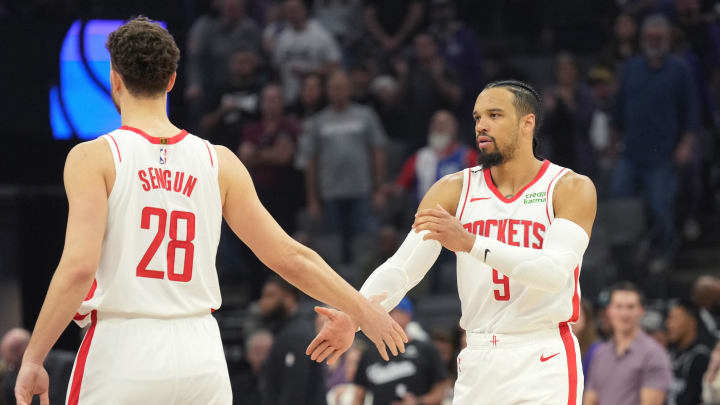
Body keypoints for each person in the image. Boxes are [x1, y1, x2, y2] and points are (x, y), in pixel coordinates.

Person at [13, 17, 406, 405]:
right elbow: (290, 256)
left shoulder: (93, 157)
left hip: (124, 348)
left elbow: (79, 268)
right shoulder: (219, 160)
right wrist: (362, 312)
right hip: (201, 353)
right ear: (171, 81)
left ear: (114, 80)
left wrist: (33, 357)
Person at [307, 79, 598, 404]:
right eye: (476, 117)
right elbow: (402, 269)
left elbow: (553, 273)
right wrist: (354, 316)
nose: (482, 125)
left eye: (495, 115)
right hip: (476, 357)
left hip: (541, 357)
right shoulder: (451, 190)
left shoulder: (569, 188)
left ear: (527, 122)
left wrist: (470, 242)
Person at [612, 14, 701, 271]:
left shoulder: (680, 69)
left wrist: (686, 143)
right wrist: (613, 140)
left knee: (660, 206)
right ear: (642, 39)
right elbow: (618, 108)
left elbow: (691, 112)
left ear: (667, 39)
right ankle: (628, 256)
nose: (654, 41)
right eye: (650, 37)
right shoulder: (630, 68)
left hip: (663, 153)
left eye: (659, 37)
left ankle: (663, 252)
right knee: (620, 200)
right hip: (630, 152)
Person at [303, 70, 388, 264]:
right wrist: (312, 199)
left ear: (349, 89)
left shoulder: (365, 115)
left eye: (342, 88)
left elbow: (378, 152)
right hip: (331, 193)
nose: (338, 92)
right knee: (334, 245)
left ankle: (363, 282)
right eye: (334, 88)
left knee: (365, 241)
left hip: (362, 189)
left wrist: (379, 188)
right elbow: (311, 161)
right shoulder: (318, 121)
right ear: (327, 91)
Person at [584, 282, 672, 405]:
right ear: (609, 311)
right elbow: (590, 399)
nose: (624, 314)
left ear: (641, 311)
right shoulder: (600, 353)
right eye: (619, 307)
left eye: (630, 307)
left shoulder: (654, 354)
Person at [352, 298, 450, 405]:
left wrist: (418, 401)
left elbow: (442, 388)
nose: (386, 317)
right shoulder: (369, 353)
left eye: (392, 312)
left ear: (407, 316)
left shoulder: (426, 349)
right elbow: (359, 394)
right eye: (385, 313)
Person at [258, 276, 326, 405]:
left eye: (270, 296)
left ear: (289, 299)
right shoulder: (286, 332)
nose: (263, 302)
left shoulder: (296, 334)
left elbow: (295, 390)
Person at [394, 110, 478, 204]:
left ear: (455, 128)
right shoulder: (419, 157)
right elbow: (400, 187)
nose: (440, 127)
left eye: (445, 124)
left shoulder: (467, 156)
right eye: (436, 123)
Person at [273, 0, 341, 103]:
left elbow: (335, 65)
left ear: (303, 10)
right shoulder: (282, 38)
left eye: (295, 10)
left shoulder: (320, 34)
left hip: (316, 97)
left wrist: (310, 73)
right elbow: (277, 70)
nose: (292, 14)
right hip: (289, 98)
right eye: (289, 11)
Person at [665, 298, 712, 405]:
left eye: (675, 318)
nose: (669, 325)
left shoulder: (701, 357)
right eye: (669, 319)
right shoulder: (669, 354)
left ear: (691, 322)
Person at [233, 329, 273, 405]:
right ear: (248, 355)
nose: (263, 357)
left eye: (268, 352)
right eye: (258, 352)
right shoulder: (236, 387)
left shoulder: (285, 384)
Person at [571, 299, 601, 379]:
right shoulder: (554, 346)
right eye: (568, 315)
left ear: (586, 319)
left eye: (577, 315)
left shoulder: (596, 349)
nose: (571, 320)